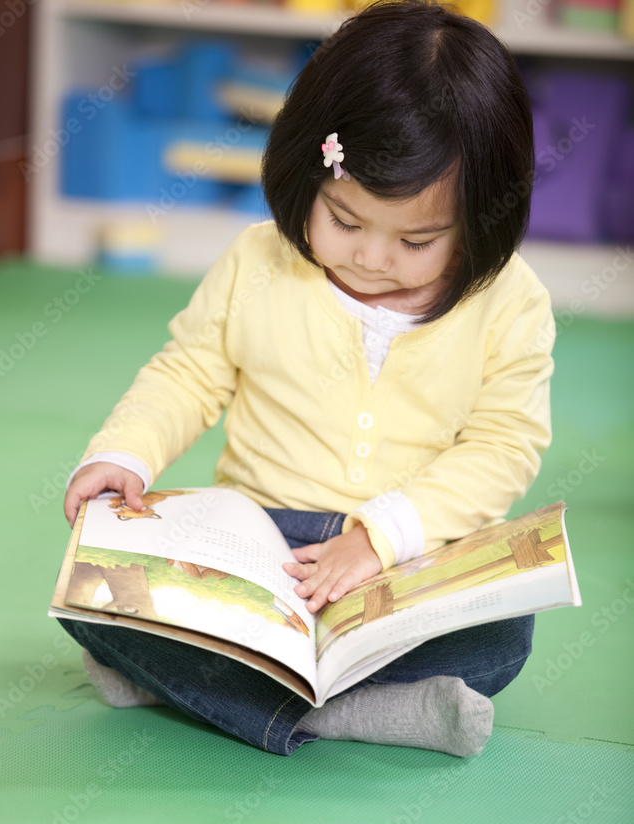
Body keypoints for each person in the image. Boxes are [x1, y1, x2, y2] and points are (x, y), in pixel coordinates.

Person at [59, 0, 555, 758]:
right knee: (97, 598)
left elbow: (503, 444)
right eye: (344, 221)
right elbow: (189, 372)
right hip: (260, 541)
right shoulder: (257, 262)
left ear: (483, 219)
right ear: (304, 173)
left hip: (407, 554)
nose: (372, 258)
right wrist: (123, 453)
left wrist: (381, 537)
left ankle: (207, 693)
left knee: (503, 635)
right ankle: (354, 712)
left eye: (416, 239)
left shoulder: (510, 301)